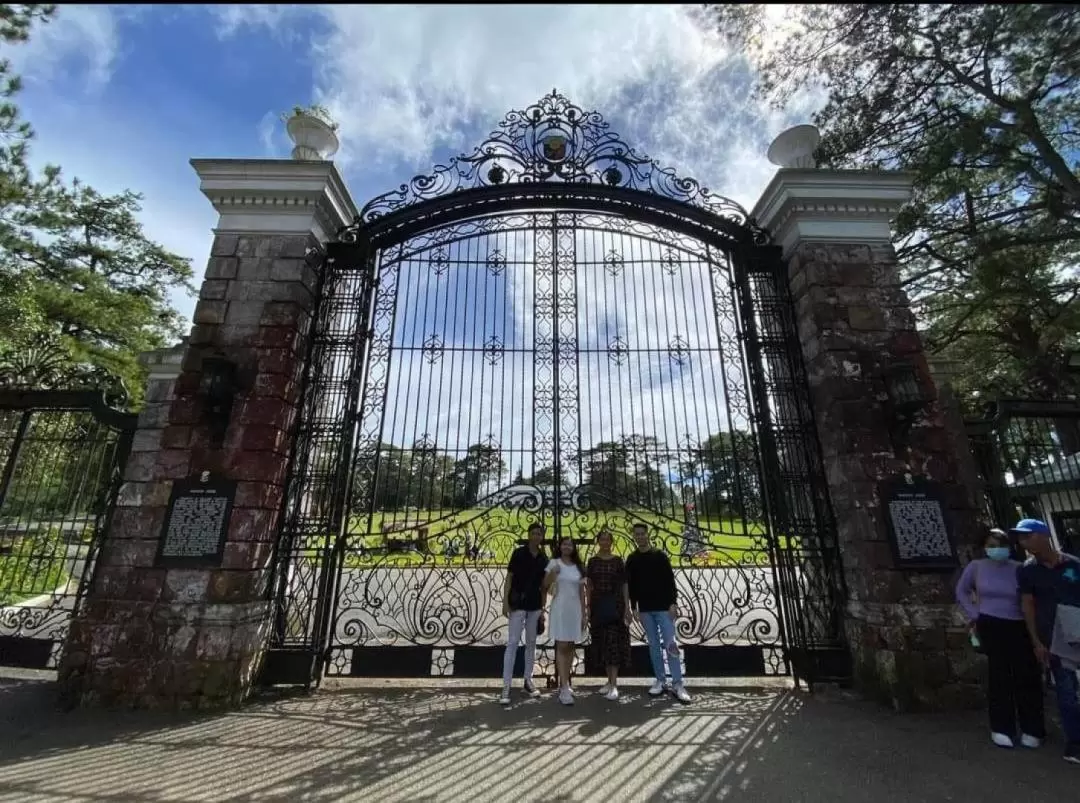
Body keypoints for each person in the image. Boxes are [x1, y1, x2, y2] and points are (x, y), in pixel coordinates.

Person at [954, 528, 1044, 748]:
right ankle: (1002, 727)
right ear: (984, 547)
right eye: (991, 545)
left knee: (1026, 675)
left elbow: (1031, 597)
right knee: (999, 675)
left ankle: (1032, 728)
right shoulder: (976, 567)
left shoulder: (1019, 569)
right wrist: (975, 614)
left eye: (1000, 545)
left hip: (1019, 624)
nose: (997, 549)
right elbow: (961, 591)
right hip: (991, 624)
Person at [1014, 518, 1080, 764]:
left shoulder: (1073, 565)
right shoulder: (1027, 570)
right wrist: (1036, 641)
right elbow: (1027, 605)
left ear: (1043, 536)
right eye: (1021, 538)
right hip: (1053, 638)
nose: (1024, 542)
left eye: (1028, 536)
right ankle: (1075, 743)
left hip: (1078, 631)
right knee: (1066, 691)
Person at [626, 522, 692, 703]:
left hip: (663, 607)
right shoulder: (632, 559)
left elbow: (669, 581)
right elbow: (631, 586)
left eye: (642, 534)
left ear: (648, 535)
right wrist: (633, 607)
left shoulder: (660, 556)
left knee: (671, 645)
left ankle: (678, 683)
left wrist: (673, 603)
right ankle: (660, 680)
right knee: (654, 646)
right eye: (636, 534)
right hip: (646, 609)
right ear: (634, 536)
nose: (639, 537)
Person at [499, 522, 547, 705]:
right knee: (512, 642)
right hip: (518, 604)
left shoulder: (543, 557)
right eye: (534, 533)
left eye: (539, 534)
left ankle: (528, 680)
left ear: (542, 537)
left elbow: (544, 586)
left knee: (531, 643)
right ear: (529, 535)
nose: (536, 536)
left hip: (534, 605)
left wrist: (543, 609)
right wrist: (505, 602)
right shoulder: (518, 553)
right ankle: (506, 685)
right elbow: (509, 577)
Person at [586, 529, 632, 701]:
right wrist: (588, 606)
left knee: (614, 644)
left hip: (615, 606)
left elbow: (625, 585)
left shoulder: (618, 561)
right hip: (598, 607)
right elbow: (589, 586)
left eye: (608, 540)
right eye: (602, 539)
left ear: (611, 542)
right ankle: (608, 681)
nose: (605, 542)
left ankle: (614, 684)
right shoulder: (592, 562)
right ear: (598, 542)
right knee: (602, 644)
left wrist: (627, 607)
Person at [543, 535, 587, 706]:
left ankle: (566, 682)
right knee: (562, 645)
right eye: (564, 544)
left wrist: (584, 613)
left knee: (570, 646)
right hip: (560, 609)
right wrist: (553, 574)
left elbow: (582, 592)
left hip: (575, 609)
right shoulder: (554, 563)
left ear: (574, 547)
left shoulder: (579, 567)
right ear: (560, 547)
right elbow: (545, 585)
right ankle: (563, 686)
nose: (567, 547)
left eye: (570, 544)